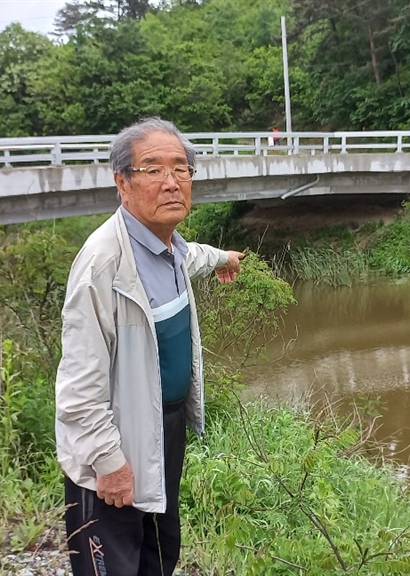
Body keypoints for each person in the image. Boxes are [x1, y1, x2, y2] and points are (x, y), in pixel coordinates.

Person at [55, 117, 245, 576]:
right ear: (122, 182)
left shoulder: (170, 247)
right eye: (153, 169)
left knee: (160, 552)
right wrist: (108, 461)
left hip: (166, 429)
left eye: (181, 169)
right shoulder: (103, 264)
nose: (171, 182)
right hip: (118, 440)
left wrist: (224, 258)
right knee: (114, 563)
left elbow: (193, 256)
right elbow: (78, 389)